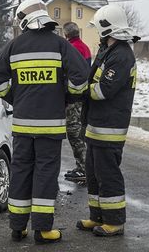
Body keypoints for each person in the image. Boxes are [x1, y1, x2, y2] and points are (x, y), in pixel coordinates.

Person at [0, 0, 89, 244]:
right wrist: (64, 97)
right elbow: (81, 79)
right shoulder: (60, 45)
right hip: (51, 126)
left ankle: (18, 227)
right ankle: (43, 230)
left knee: (21, 171)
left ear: (23, 20)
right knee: (45, 174)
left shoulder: (13, 47)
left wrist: (17, 98)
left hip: (22, 126)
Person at [77, 4, 139, 237]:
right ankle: (97, 217)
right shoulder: (108, 51)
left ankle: (115, 221)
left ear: (107, 28)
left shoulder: (121, 55)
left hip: (109, 126)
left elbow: (104, 90)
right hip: (96, 125)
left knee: (108, 175)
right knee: (93, 174)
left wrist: (81, 88)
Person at [62, 22, 92, 183]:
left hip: (74, 99)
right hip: (82, 97)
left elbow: (72, 73)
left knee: (74, 133)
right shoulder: (84, 47)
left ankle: (83, 169)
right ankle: (83, 167)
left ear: (66, 35)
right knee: (78, 132)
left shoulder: (71, 49)